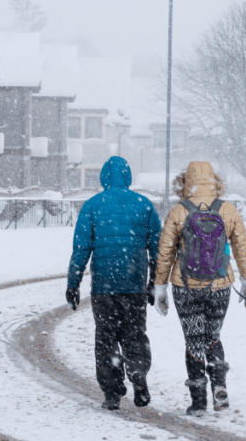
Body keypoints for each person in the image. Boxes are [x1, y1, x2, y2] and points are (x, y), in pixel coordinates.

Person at [153, 161, 246, 417]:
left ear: (185, 182)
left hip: (185, 286)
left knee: (194, 341)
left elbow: (165, 252)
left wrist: (160, 288)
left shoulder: (178, 211)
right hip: (220, 285)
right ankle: (220, 387)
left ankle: (198, 401)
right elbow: (242, 247)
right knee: (213, 337)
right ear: (214, 180)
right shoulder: (228, 209)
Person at [66, 156, 162, 411]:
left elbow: (81, 248)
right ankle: (138, 374)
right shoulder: (144, 205)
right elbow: (158, 249)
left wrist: (73, 284)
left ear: (104, 177)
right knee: (134, 335)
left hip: (104, 287)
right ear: (128, 176)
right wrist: (155, 282)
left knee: (106, 338)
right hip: (134, 285)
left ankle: (112, 392)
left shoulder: (93, 205)